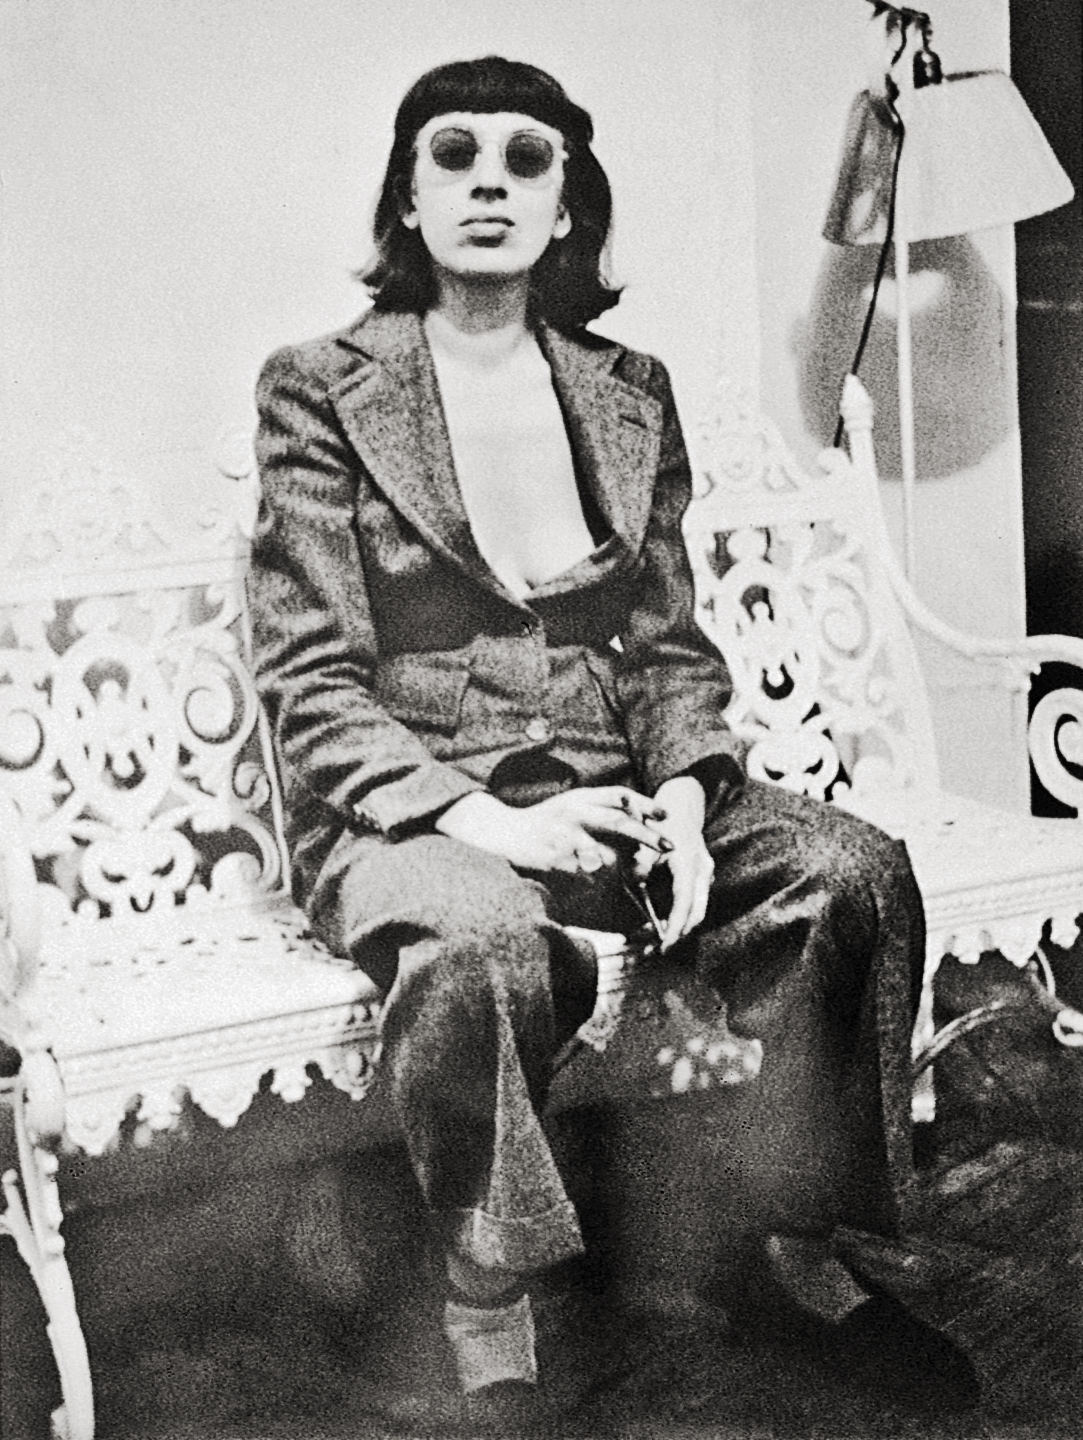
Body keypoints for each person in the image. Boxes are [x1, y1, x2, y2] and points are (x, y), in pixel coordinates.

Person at [248, 54, 925, 1429]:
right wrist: (490, 823)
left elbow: (667, 647)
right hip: (414, 808)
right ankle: (484, 1290)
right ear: (409, 198)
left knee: (851, 875)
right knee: (481, 945)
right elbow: (308, 677)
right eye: (453, 154)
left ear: (567, 204)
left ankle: (789, 1240)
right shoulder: (320, 387)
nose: (489, 181)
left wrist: (683, 799)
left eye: (527, 157)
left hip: (612, 780)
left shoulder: (627, 391)